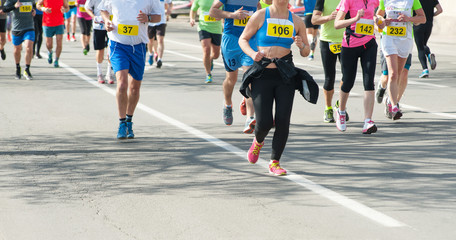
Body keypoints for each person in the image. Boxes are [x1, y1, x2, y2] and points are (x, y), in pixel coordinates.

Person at [239, 0, 310, 175]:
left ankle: (275, 162)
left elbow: (306, 51)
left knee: (282, 120)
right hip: (262, 74)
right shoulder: (261, 15)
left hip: (285, 75)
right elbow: (243, 39)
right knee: (263, 123)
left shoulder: (296, 21)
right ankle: (257, 142)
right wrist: (252, 53)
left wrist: (301, 45)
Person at [100, 0, 161, 139]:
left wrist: (149, 18)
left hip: (138, 46)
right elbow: (103, 9)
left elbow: (158, 16)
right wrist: (107, 21)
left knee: (135, 88)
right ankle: (121, 123)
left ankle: (129, 120)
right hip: (118, 44)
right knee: (122, 84)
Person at [209, 0, 262, 134]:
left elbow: (260, 13)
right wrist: (232, 15)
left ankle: (250, 118)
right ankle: (227, 104)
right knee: (231, 79)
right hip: (231, 41)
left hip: (250, 40)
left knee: (250, 78)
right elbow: (213, 11)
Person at [334, 0, 379, 134]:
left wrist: (379, 21)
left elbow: (373, 16)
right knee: (348, 81)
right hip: (350, 45)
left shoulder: (374, 1)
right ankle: (341, 112)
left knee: (369, 81)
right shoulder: (347, 1)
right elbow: (337, 24)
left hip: (369, 43)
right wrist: (355, 18)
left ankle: (368, 121)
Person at [376, 0, 425, 120]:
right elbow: (378, 15)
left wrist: (409, 19)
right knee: (392, 74)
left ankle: (391, 100)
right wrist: (382, 20)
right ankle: (394, 106)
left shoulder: (412, 1)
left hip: (405, 39)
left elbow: (422, 18)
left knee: (400, 73)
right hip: (389, 38)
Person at [311, 0, 345, 123]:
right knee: (329, 78)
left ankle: (341, 104)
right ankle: (328, 108)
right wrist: (329, 17)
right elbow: (314, 20)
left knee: (347, 77)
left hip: (345, 40)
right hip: (327, 41)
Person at [190, 0, 222, 83]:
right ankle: (208, 74)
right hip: (203, 27)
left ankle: (210, 59)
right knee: (206, 49)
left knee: (216, 55)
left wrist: (222, 16)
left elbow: (226, 11)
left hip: (216, 29)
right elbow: (193, 10)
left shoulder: (220, 1)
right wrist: (192, 19)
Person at [3, 0, 36, 80]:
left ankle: (27, 69)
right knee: (17, 49)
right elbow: (4, 9)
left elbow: (33, 5)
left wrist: (33, 10)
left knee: (29, 46)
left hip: (29, 27)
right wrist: (14, 6)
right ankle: (18, 67)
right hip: (17, 29)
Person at [376, 51, 412, 119]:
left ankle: (394, 103)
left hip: (404, 43)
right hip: (389, 44)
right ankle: (382, 86)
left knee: (404, 73)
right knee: (387, 76)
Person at [85, 0, 114, 84]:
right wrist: (94, 17)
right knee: (100, 50)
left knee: (111, 50)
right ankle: (99, 73)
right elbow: (87, 7)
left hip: (112, 26)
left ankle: (109, 73)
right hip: (99, 26)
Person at [413, 0, 442, 78]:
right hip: (429, 24)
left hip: (418, 24)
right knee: (424, 44)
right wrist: (431, 15)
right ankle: (429, 55)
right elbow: (440, 10)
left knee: (420, 47)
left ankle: (425, 70)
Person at [37, 0, 69, 68]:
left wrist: (64, 10)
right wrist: (44, 9)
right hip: (47, 23)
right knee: (49, 44)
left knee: (59, 42)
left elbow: (67, 8)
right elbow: (38, 5)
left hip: (59, 22)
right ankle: (50, 51)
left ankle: (57, 60)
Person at [147, 0, 172, 69]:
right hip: (150, 21)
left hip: (161, 21)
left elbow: (170, 4)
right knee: (150, 41)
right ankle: (150, 54)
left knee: (160, 40)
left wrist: (169, 10)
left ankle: (159, 59)